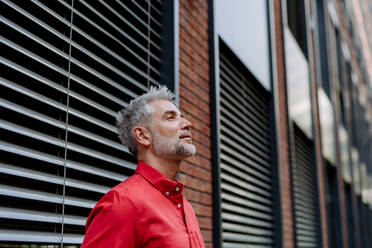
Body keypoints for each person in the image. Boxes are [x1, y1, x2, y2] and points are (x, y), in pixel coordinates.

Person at [81, 86, 205, 248]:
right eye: (170, 118)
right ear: (143, 136)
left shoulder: (185, 206)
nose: (187, 123)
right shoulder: (122, 204)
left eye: (182, 117)